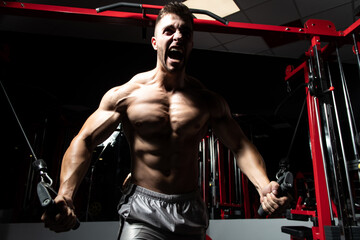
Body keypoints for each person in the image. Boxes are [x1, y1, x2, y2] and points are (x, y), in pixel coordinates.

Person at [41, 2, 289, 239]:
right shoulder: (126, 95)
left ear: (190, 44)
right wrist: (66, 194)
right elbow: (84, 140)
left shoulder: (208, 102)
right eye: (169, 30)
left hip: (189, 207)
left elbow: (240, 146)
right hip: (142, 208)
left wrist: (263, 186)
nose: (178, 36)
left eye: (185, 32)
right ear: (154, 41)